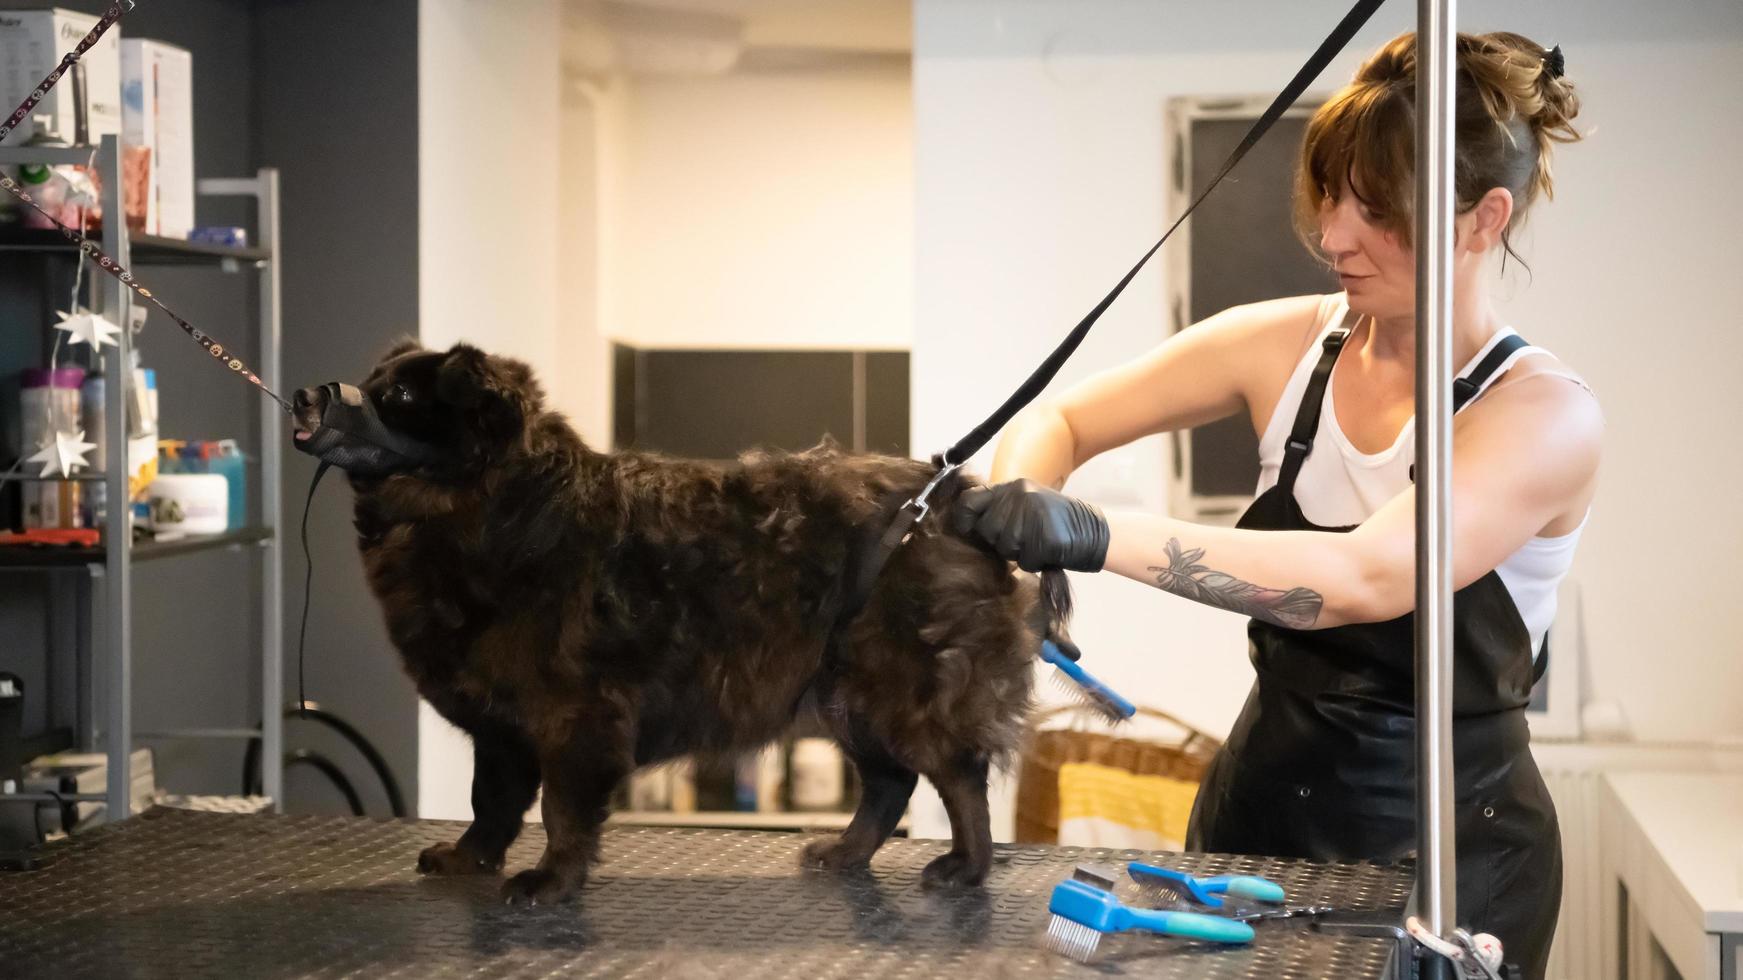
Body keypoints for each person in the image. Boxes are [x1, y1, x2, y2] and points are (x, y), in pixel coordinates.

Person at [952, 30, 1597, 980]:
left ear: (1480, 218)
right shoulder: (1286, 346)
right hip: (1252, 817)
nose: (1334, 235)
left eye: (1375, 210)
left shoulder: (1541, 414)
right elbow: (1064, 416)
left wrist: (1091, 535)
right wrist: (1020, 533)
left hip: (1452, 852)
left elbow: (1360, 579)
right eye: (1329, 196)